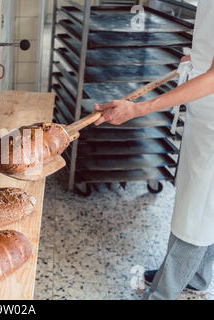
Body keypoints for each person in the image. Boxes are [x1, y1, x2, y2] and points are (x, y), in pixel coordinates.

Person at [93, 0, 214, 300]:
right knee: (206, 204)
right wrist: (195, 57)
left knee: (196, 210)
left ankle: (163, 293)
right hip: (204, 114)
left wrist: (138, 109)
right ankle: (197, 276)